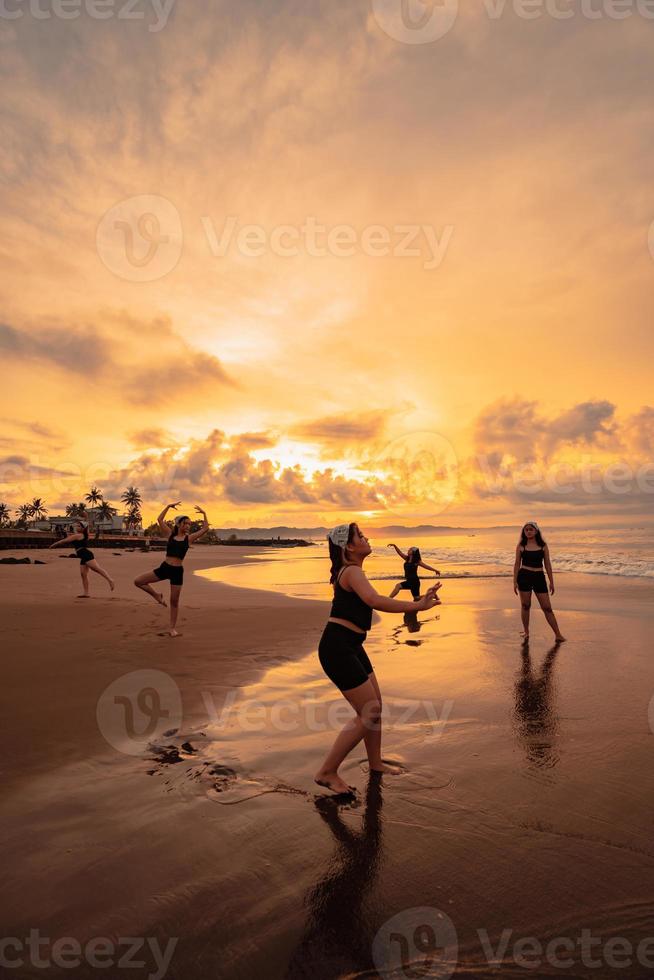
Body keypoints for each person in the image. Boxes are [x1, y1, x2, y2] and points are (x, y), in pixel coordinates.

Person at [315, 522, 441, 795]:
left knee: (375, 708)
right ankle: (327, 771)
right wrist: (418, 605)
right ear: (348, 546)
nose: (366, 537)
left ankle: (375, 763)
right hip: (337, 648)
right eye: (360, 536)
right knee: (368, 712)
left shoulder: (350, 571)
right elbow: (375, 600)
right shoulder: (351, 571)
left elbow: (372, 600)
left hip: (350, 645)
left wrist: (418, 603)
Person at [134, 501, 209, 637]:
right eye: (185, 523)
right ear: (179, 524)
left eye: (189, 524)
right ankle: (157, 595)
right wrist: (168, 507)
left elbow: (205, 529)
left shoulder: (189, 539)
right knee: (138, 581)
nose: (187, 526)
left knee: (174, 602)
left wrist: (204, 514)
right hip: (165, 568)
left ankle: (172, 629)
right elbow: (160, 519)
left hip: (177, 572)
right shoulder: (170, 535)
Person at [513, 521, 565, 643]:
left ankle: (558, 634)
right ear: (523, 532)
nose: (528, 531)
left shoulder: (543, 546)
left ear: (536, 531)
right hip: (524, 576)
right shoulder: (521, 545)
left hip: (539, 577)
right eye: (526, 530)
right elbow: (516, 564)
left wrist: (552, 581)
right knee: (526, 606)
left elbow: (547, 564)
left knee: (547, 608)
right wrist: (514, 581)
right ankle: (526, 632)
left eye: (531, 529)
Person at [48, 520, 115, 597]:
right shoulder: (85, 535)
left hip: (86, 555)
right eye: (77, 526)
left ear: (83, 528)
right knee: (83, 574)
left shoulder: (78, 535)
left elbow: (64, 541)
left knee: (97, 569)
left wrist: (54, 544)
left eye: (79, 526)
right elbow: (87, 526)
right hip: (83, 556)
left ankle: (110, 580)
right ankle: (86, 593)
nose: (77, 527)